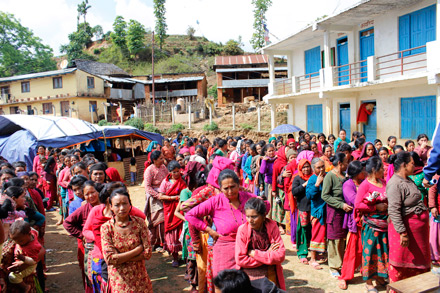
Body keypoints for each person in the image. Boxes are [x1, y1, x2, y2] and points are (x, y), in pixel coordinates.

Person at [185, 170, 265, 277]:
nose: (230, 191)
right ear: (220, 189)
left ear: (239, 185)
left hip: (249, 250)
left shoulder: (247, 197)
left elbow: (265, 206)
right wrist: (209, 230)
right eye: (226, 188)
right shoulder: (215, 201)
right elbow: (190, 215)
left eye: (233, 187)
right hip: (224, 252)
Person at [83, 183, 146, 292]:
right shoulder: (98, 212)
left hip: (130, 261)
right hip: (103, 255)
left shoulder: (128, 212)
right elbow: (86, 230)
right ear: (109, 200)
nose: (121, 207)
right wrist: (104, 239)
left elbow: (141, 221)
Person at [387, 152, 430, 284]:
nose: (414, 166)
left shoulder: (408, 180)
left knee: (419, 268)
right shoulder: (395, 183)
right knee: (403, 266)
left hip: (417, 234)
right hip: (406, 234)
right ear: (404, 165)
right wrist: (403, 233)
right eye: (412, 163)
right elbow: (394, 210)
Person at [101, 188, 153, 292]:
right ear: (111, 207)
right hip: (120, 281)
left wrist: (120, 257)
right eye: (117, 205)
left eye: (125, 203)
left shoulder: (139, 223)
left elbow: (147, 253)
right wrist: (137, 250)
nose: (121, 208)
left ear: (130, 205)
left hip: (140, 278)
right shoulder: (106, 228)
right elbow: (110, 259)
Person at [235, 197, 286, 290]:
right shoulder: (242, 230)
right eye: (248, 216)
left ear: (263, 216)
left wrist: (254, 254)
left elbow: (280, 256)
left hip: (270, 276)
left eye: (254, 216)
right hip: (249, 277)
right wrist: (267, 255)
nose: (250, 220)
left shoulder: (272, 226)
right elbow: (240, 260)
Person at [355, 156, 389, 291]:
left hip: (385, 225)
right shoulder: (365, 185)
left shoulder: (383, 182)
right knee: (370, 252)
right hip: (371, 225)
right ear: (374, 170)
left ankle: (380, 276)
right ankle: (368, 281)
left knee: (384, 252)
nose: (384, 170)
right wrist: (376, 208)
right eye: (381, 168)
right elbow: (358, 205)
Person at [63, 180, 101, 292]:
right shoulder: (84, 208)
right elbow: (67, 223)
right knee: (92, 275)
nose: (90, 196)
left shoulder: (107, 205)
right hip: (92, 248)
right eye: (87, 194)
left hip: (107, 246)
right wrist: (82, 235)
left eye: (93, 192)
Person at [321, 153, 349, 279]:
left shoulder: (344, 177)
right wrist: (340, 205)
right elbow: (325, 196)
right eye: (346, 162)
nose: (347, 165)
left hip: (344, 213)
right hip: (334, 212)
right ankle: (334, 266)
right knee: (334, 239)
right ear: (340, 163)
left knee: (342, 239)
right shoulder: (330, 176)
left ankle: (341, 262)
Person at [338, 161, 365, 290]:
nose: (365, 172)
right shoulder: (348, 184)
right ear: (357, 173)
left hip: (367, 220)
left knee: (366, 247)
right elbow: (355, 201)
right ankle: (345, 276)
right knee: (352, 249)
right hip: (356, 220)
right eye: (362, 171)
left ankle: (366, 271)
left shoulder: (364, 183)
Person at [158, 160, 187, 267]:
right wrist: (173, 197)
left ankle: (184, 256)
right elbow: (160, 196)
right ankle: (175, 257)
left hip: (180, 210)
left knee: (182, 232)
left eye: (177, 171)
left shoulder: (182, 181)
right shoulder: (165, 182)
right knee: (172, 233)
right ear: (169, 172)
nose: (176, 174)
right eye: (174, 172)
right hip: (170, 211)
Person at [8, 220, 45, 293]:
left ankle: (25, 287)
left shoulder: (32, 247)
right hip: (25, 262)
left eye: (20, 241)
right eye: (14, 241)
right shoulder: (28, 235)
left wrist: (23, 260)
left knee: (13, 277)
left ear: (28, 234)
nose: (17, 243)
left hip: (29, 264)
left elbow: (33, 261)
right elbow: (35, 232)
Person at [143, 150, 169, 251]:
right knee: (157, 220)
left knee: (165, 220)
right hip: (155, 198)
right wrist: (158, 196)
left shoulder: (163, 167)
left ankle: (165, 242)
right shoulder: (149, 170)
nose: (163, 160)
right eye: (161, 158)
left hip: (165, 195)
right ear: (154, 160)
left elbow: (167, 178)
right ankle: (157, 242)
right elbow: (148, 187)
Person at [305, 158, 326, 270]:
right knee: (317, 233)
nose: (321, 169)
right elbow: (309, 195)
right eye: (318, 167)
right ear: (314, 169)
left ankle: (322, 254)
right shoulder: (312, 179)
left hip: (327, 210)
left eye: (323, 166)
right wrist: (317, 184)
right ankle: (312, 258)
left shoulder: (327, 176)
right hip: (317, 211)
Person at [291, 159, 312, 265]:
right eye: (304, 167)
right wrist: (304, 185)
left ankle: (313, 251)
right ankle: (302, 253)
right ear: (300, 168)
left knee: (312, 230)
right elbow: (294, 191)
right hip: (303, 207)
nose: (306, 169)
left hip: (313, 207)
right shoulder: (297, 178)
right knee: (303, 230)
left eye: (308, 166)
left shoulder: (314, 177)